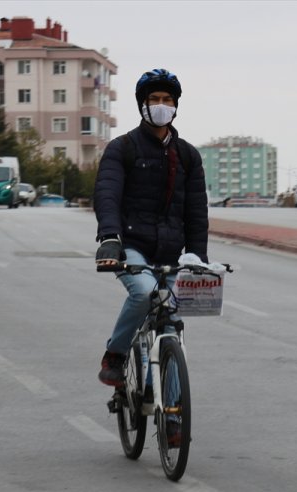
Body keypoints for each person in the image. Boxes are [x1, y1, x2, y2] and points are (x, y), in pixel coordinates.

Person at [93, 68, 209, 389]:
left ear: (175, 106)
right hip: (131, 246)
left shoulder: (187, 156)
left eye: (167, 99)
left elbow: (196, 211)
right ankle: (115, 355)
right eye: (154, 99)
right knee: (144, 294)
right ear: (142, 105)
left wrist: (197, 256)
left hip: (171, 251)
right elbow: (107, 193)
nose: (161, 105)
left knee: (171, 324)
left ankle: (170, 416)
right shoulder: (122, 148)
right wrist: (110, 238)